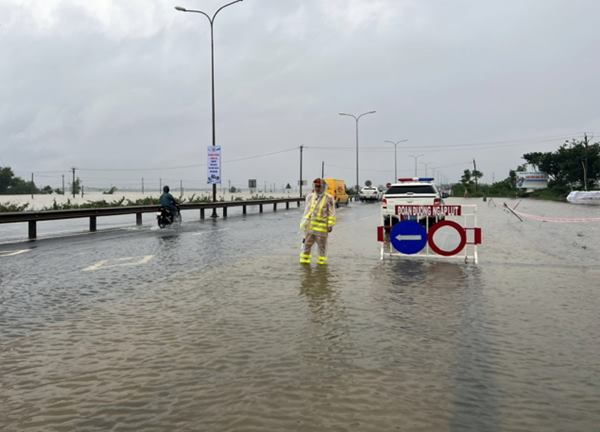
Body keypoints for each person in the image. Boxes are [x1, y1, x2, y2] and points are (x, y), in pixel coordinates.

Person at [299, 178, 336, 265]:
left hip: (322, 230)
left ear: (323, 187)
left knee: (322, 249)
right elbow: (307, 211)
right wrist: (304, 223)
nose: (317, 188)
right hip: (310, 228)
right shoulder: (310, 197)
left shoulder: (329, 198)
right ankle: (304, 266)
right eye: (316, 186)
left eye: (319, 186)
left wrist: (330, 225)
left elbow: (332, 213)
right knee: (306, 246)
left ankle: (321, 268)